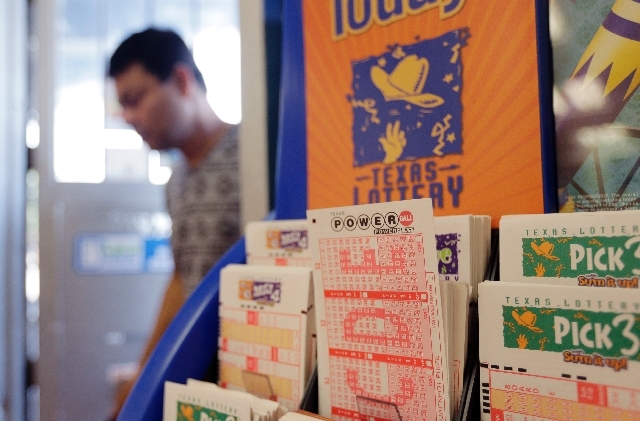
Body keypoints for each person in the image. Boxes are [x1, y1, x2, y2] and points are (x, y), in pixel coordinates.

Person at [107, 27, 240, 418]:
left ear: (181, 80)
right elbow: (181, 278)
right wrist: (142, 376)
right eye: (123, 106)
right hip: (203, 388)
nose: (129, 117)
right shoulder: (176, 180)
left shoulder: (254, 153)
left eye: (135, 99)